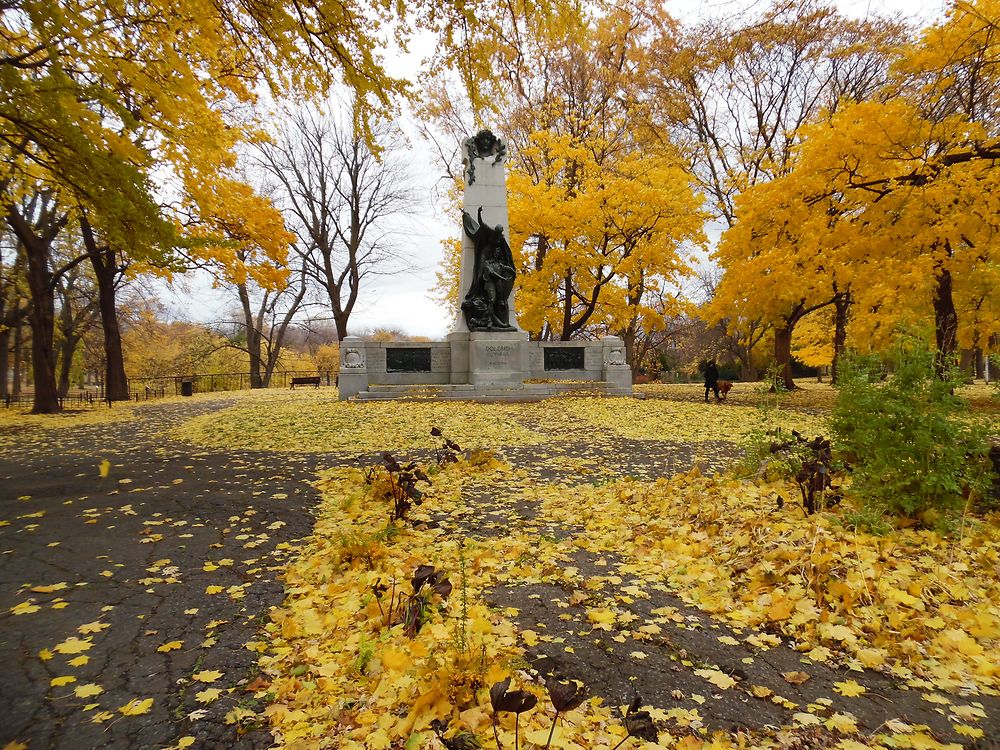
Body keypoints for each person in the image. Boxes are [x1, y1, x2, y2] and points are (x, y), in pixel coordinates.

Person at [461, 207, 516, 331]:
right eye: (498, 231)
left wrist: (509, 266)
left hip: (494, 258)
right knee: (480, 274)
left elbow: (505, 251)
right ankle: (476, 293)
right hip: (485, 254)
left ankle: (494, 317)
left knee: (497, 295)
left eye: (500, 232)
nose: (499, 233)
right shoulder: (490, 232)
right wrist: (479, 212)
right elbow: (480, 223)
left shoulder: (501, 239)